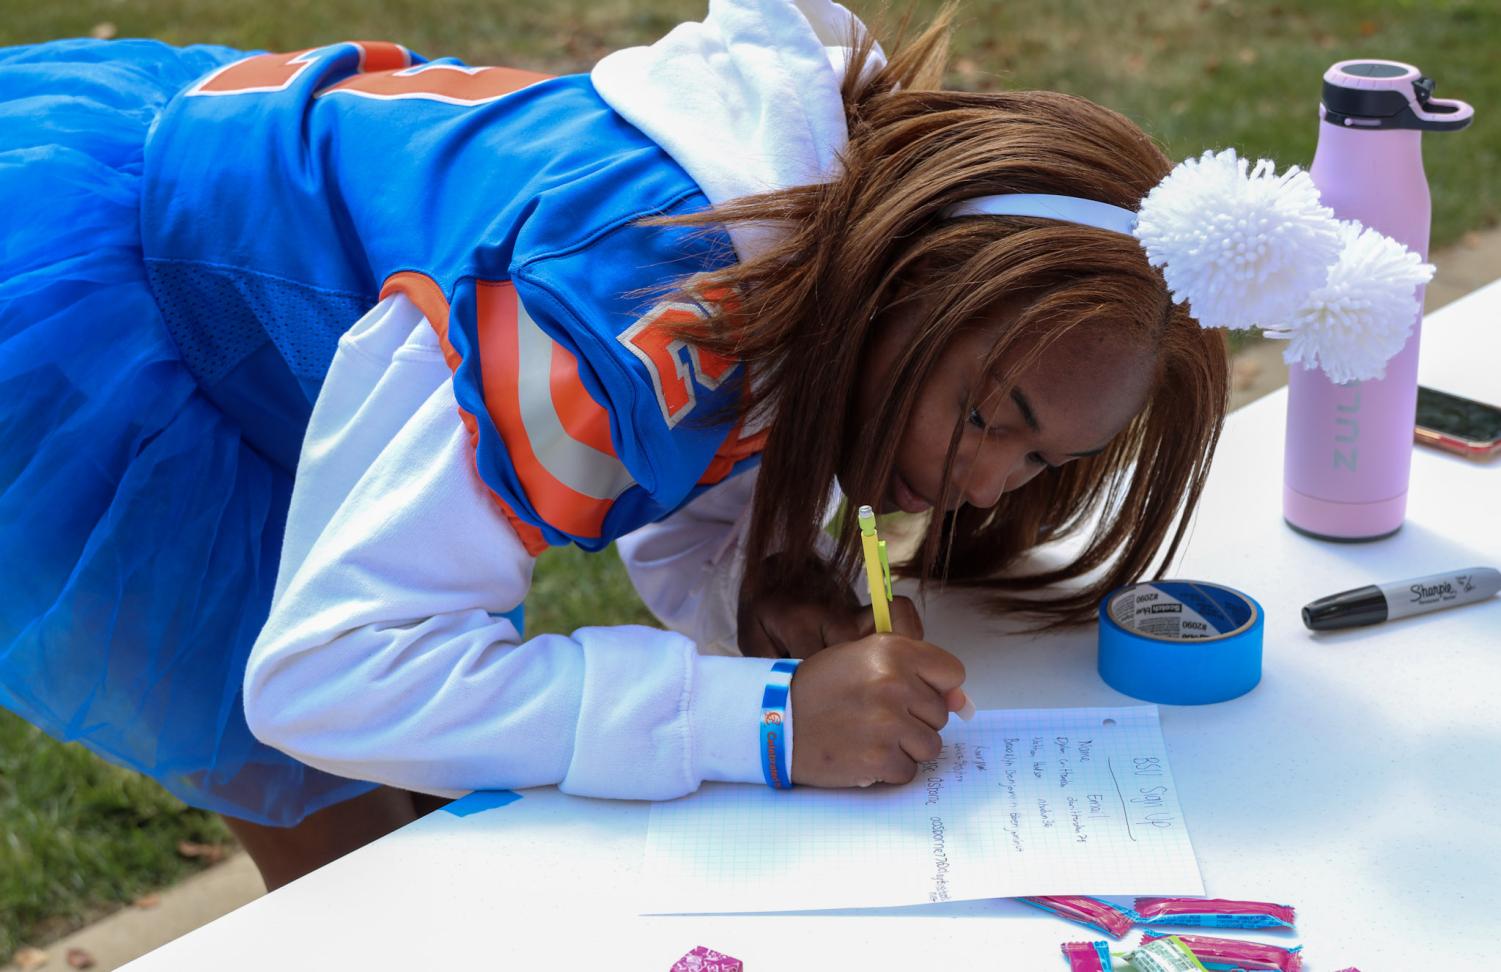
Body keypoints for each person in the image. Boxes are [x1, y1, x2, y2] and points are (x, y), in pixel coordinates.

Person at [0, 0, 1228, 889]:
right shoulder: (616, 324)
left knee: (442, 809)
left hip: (240, 215)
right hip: (112, 333)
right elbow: (329, 681)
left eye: (1037, 463)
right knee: (348, 858)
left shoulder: (820, 231)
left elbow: (703, 449)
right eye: (982, 417)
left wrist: (767, 585)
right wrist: (763, 721)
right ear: (904, 286)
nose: (975, 488)